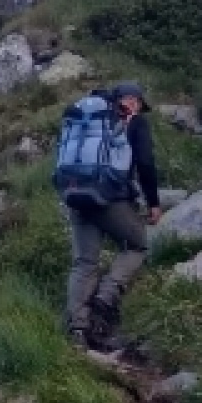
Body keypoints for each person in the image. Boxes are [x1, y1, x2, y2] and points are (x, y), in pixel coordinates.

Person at [52, 82, 161, 351]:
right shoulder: (132, 122)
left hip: (76, 195)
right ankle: (105, 298)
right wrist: (154, 203)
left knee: (84, 262)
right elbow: (145, 163)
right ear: (133, 101)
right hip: (110, 200)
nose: (138, 108)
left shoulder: (85, 119)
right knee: (138, 245)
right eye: (138, 103)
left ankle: (77, 329)